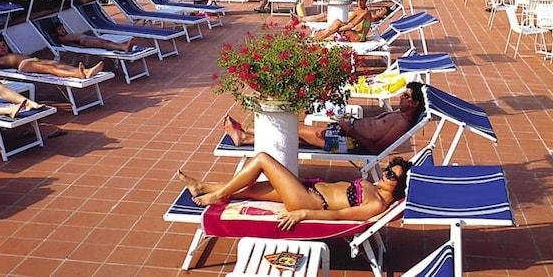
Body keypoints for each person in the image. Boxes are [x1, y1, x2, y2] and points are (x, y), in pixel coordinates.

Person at [176, 153, 411, 229]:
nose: (386, 173)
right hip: (307, 188)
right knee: (249, 190)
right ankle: (202, 187)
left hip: (307, 201)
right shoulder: (375, 187)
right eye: (388, 169)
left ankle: (217, 195)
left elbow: (339, 215)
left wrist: (303, 214)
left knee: (262, 160)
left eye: (392, 175)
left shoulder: (377, 204)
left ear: (398, 186)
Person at [224, 82, 425, 154]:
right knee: (297, 136)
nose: (401, 97)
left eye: (406, 96)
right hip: (346, 133)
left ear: (415, 103)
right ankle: (246, 137)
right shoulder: (398, 114)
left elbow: (376, 149)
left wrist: (349, 128)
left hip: (350, 142)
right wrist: (349, 122)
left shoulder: (402, 123)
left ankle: (247, 131)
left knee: (294, 130)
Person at [0, 37, 104, 79]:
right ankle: (77, 74)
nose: (2, 48)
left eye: (3, 45)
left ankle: (86, 71)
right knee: (50, 69)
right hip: (24, 65)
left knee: (57, 63)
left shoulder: (11, 54)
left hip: (32, 60)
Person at [51, 19, 133, 51]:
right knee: (103, 44)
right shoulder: (61, 38)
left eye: (62, 28)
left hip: (86, 38)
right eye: (59, 30)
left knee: (106, 41)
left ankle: (122, 46)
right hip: (84, 41)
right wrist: (81, 48)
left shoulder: (65, 35)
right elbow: (72, 44)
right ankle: (122, 48)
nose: (62, 30)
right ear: (55, 32)